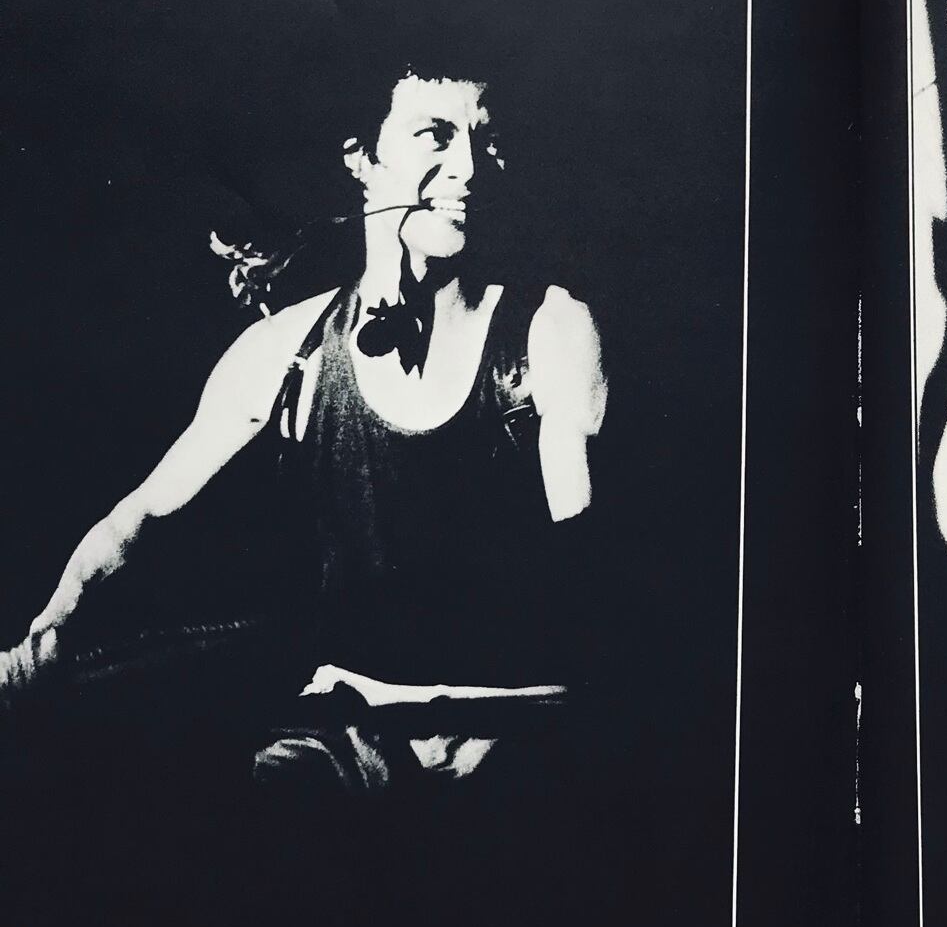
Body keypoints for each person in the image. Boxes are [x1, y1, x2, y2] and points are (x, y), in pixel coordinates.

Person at [17, 63, 609, 793]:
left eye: (485, 142)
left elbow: (587, 570)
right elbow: (136, 522)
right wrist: (39, 646)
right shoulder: (285, 352)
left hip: (513, 730)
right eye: (435, 135)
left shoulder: (550, 330)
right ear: (362, 158)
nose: (468, 168)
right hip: (347, 735)